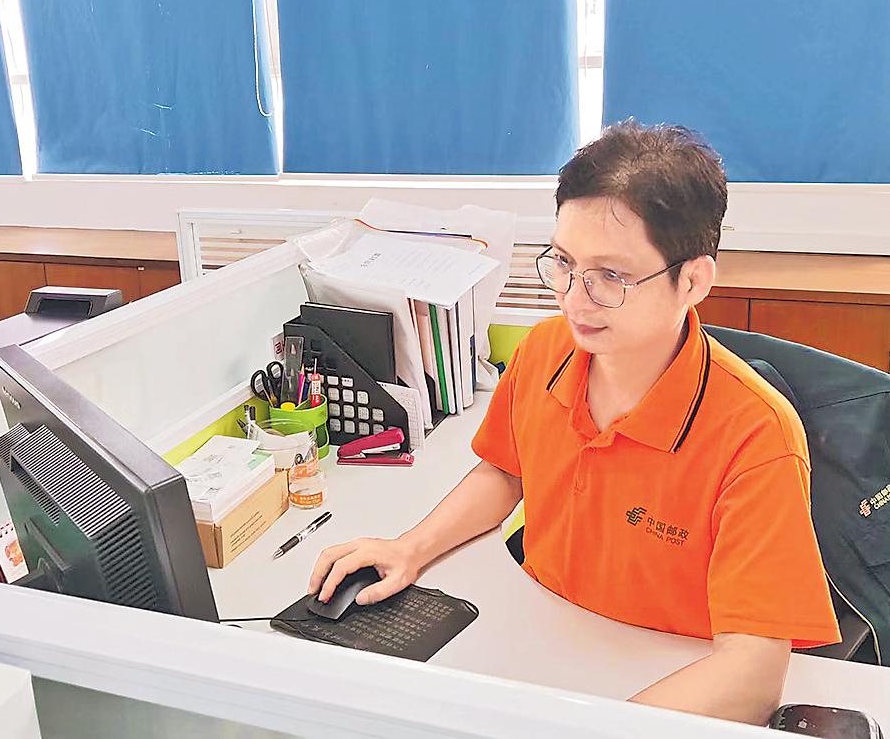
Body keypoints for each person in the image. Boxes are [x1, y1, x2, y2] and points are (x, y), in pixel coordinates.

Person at [309, 121, 840, 725]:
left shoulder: (757, 434)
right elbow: (505, 472)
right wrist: (409, 548)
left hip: (667, 681)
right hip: (542, 642)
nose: (574, 299)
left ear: (692, 280)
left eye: (611, 276)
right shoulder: (545, 350)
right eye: (564, 263)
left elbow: (752, 675)